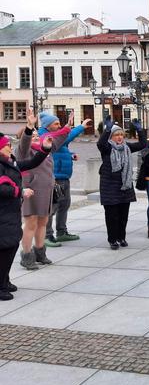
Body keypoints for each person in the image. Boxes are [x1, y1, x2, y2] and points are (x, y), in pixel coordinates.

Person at [17, 109, 72, 269]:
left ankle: (40, 252)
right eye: (32, 136)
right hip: (31, 192)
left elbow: (59, 139)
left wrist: (68, 127)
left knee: (43, 222)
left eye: (36, 135)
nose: (35, 137)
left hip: (46, 192)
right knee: (31, 223)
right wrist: (29, 126)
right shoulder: (23, 151)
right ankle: (27, 256)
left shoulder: (44, 149)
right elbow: (25, 141)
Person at [0, 130, 52, 298]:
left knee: (11, 246)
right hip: (3, 213)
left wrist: (44, 149)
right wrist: (19, 191)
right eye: (6, 145)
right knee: (4, 249)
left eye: (9, 144)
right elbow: (2, 188)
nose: (9, 147)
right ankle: (0, 286)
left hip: (11, 212)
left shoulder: (10, 162)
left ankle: (5, 280)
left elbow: (31, 163)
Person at [40, 114, 93, 245]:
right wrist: (80, 127)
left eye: (59, 124)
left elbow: (63, 146)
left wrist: (70, 154)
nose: (59, 126)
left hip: (64, 176)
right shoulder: (44, 136)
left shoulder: (57, 135)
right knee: (52, 207)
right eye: (56, 124)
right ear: (47, 125)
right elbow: (64, 139)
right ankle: (47, 236)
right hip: (54, 177)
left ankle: (62, 232)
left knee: (64, 204)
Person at [98, 117, 147, 249]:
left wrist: (139, 130)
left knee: (123, 215)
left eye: (121, 135)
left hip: (124, 186)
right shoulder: (107, 148)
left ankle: (121, 237)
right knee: (112, 215)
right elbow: (100, 143)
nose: (119, 137)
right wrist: (107, 129)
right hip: (109, 186)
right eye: (116, 135)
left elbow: (143, 144)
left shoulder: (127, 147)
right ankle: (112, 239)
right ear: (111, 137)